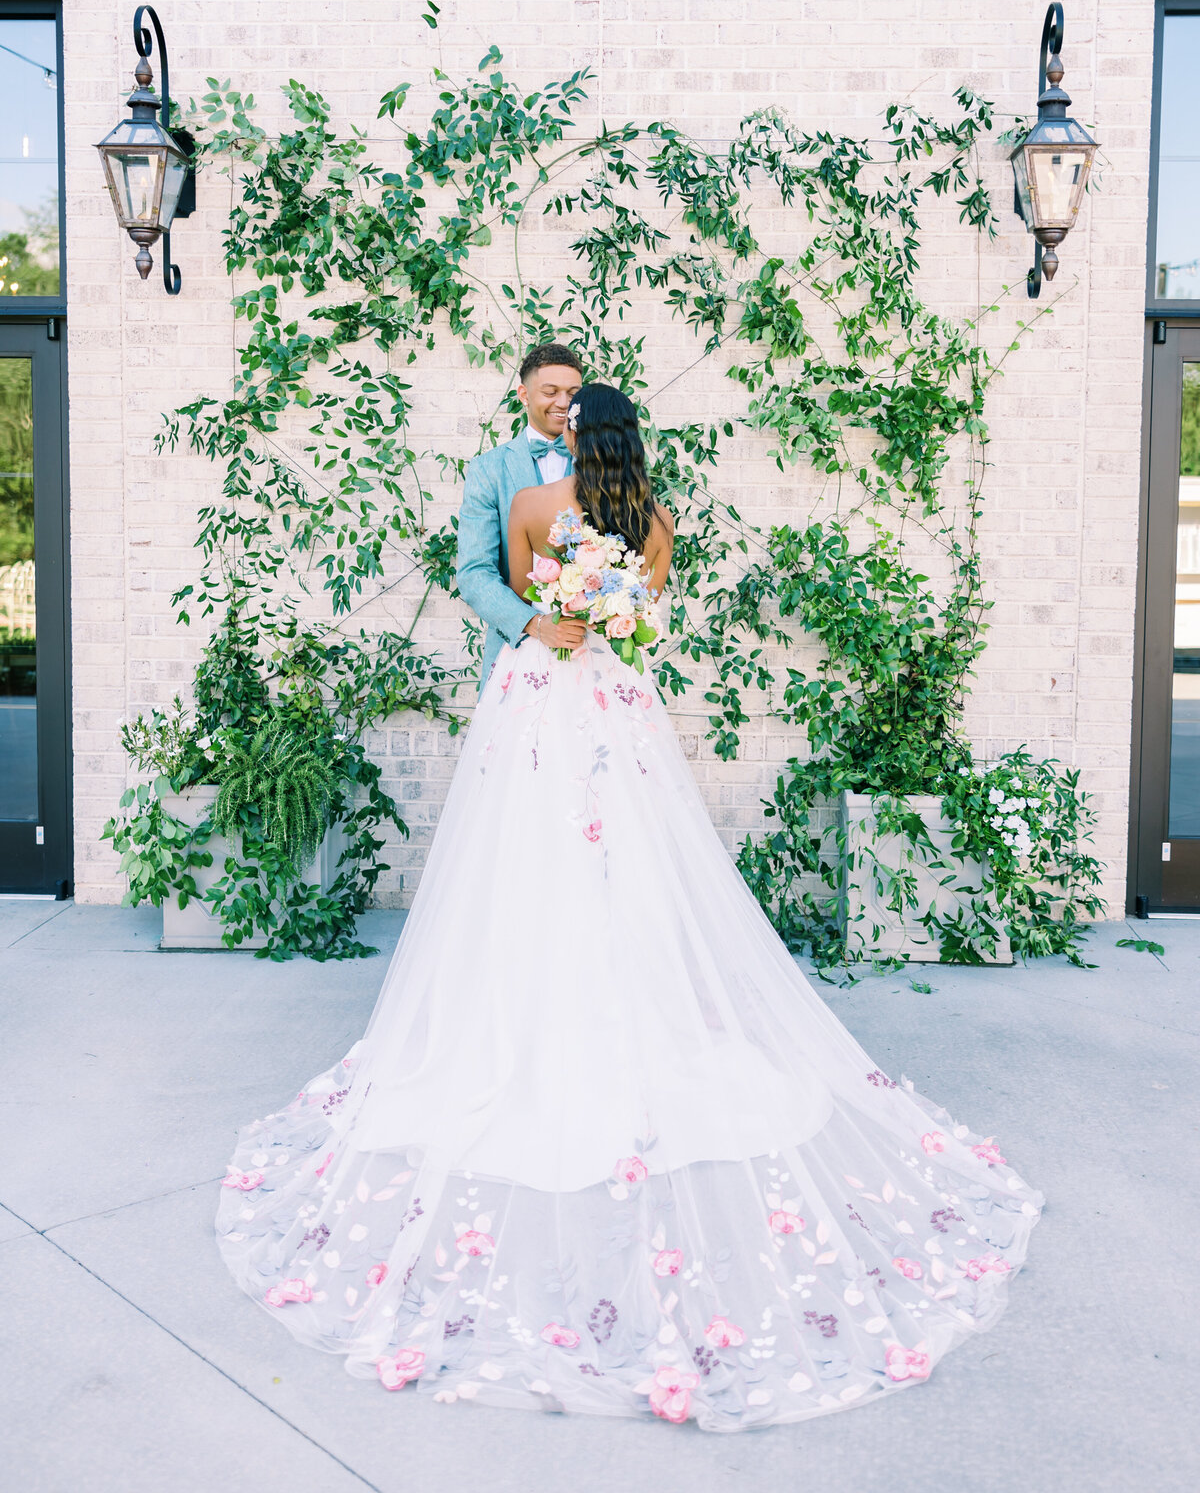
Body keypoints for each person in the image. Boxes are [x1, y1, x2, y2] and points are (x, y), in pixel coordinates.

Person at [216, 382, 1042, 1432]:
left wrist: (563, 614)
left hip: (537, 699)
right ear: (632, 438)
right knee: (634, 867)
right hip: (616, 701)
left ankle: (523, 1014)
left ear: (569, 430)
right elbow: (642, 627)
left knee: (521, 867)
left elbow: (528, 605)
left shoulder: (530, 508)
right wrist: (606, 609)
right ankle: (631, 1005)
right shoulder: (655, 519)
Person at [455, 341, 588, 687]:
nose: (563, 402)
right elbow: (474, 572)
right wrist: (535, 625)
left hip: (591, 652)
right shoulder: (488, 470)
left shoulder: (604, 465)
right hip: (517, 651)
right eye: (550, 391)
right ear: (524, 395)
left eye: (573, 392)